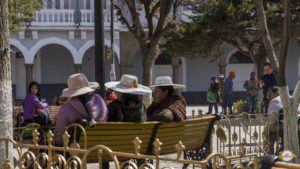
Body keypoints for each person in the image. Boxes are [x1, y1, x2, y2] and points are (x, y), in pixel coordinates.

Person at [54, 73, 108, 145]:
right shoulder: (100, 101)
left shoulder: (66, 108)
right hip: (102, 149)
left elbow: (59, 138)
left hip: (76, 153)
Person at [267, 86, 283, 154]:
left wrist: (269, 124)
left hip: (280, 126)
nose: (270, 97)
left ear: (275, 93)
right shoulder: (290, 98)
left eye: (270, 95)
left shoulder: (275, 101)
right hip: (293, 125)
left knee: (267, 131)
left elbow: (271, 118)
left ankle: (271, 152)